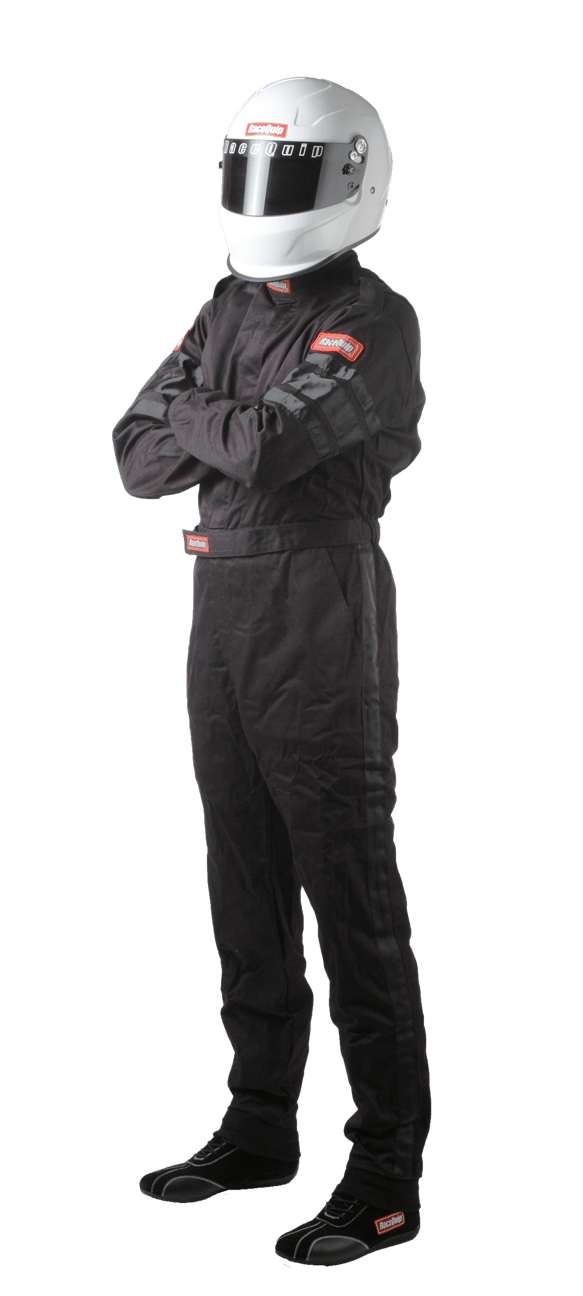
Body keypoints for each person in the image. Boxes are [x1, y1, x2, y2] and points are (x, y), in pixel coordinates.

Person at [112, 76, 431, 1267]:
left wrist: (204, 413)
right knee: (241, 880)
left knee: (350, 892)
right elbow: (132, 455)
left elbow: (263, 441)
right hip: (221, 607)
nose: (266, 199)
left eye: (291, 177)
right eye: (252, 175)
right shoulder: (226, 302)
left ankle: (385, 1174)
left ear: (356, 179)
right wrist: (223, 422)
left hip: (319, 608)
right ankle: (258, 1128)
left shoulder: (375, 317)